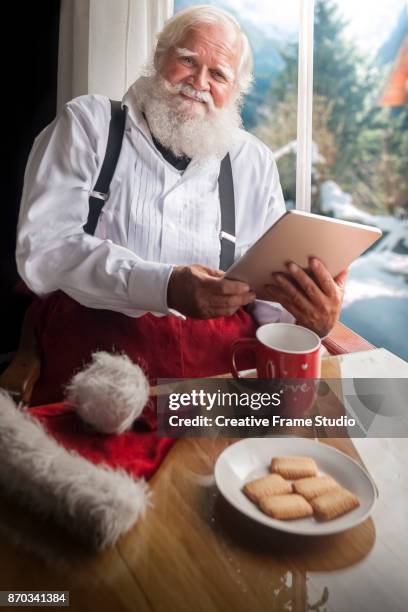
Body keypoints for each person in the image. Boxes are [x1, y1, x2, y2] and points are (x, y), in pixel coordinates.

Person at [16, 5, 347, 404]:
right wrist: (166, 287)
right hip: (96, 369)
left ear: (235, 92)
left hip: (217, 380)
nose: (199, 82)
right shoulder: (88, 124)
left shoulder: (252, 161)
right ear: (159, 56)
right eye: (188, 60)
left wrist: (312, 320)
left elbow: (270, 310)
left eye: (219, 74)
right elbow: (45, 251)